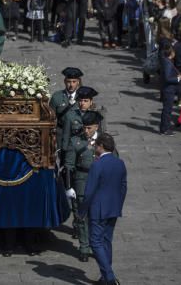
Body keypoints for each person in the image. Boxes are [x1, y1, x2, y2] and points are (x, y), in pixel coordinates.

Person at [80, 133, 127, 285]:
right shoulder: (120, 163)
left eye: (96, 145)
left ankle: (109, 277)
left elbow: (89, 191)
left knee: (95, 242)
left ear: (101, 146)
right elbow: (123, 187)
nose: (94, 147)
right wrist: (118, 204)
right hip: (113, 208)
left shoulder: (97, 165)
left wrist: (82, 211)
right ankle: (105, 277)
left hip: (98, 209)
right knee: (106, 241)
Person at [64, 111, 103, 263]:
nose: (86, 131)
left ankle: (96, 245)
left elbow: (114, 162)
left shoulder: (104, 141)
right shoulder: (76, 142)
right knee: (82, 217)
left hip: (99, 183)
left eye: (89, 128)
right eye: (84, 127)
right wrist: (68, 187)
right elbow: (68, 166)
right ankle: (84, 247)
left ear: (96, 126)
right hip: (81, 182)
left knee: (98, 218)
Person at [51, 67, 83, 154]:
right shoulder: (56, 97)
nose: (71, 85)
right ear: (65, 81)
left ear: (78, 82)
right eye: (69, 82)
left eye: (74, 82)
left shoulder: (83, 97)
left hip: (79, 134)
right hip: (61, 135)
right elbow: (51, 118)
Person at [159, 44, 181, 135]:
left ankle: (164, 127)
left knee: (167, 109)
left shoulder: (166, 61)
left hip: (168, 89)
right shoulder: (167, 63)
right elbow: (168, 78)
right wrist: (178, 78)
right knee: (167, 110)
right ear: (171, 53)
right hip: (168, 90)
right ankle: (165, 128)